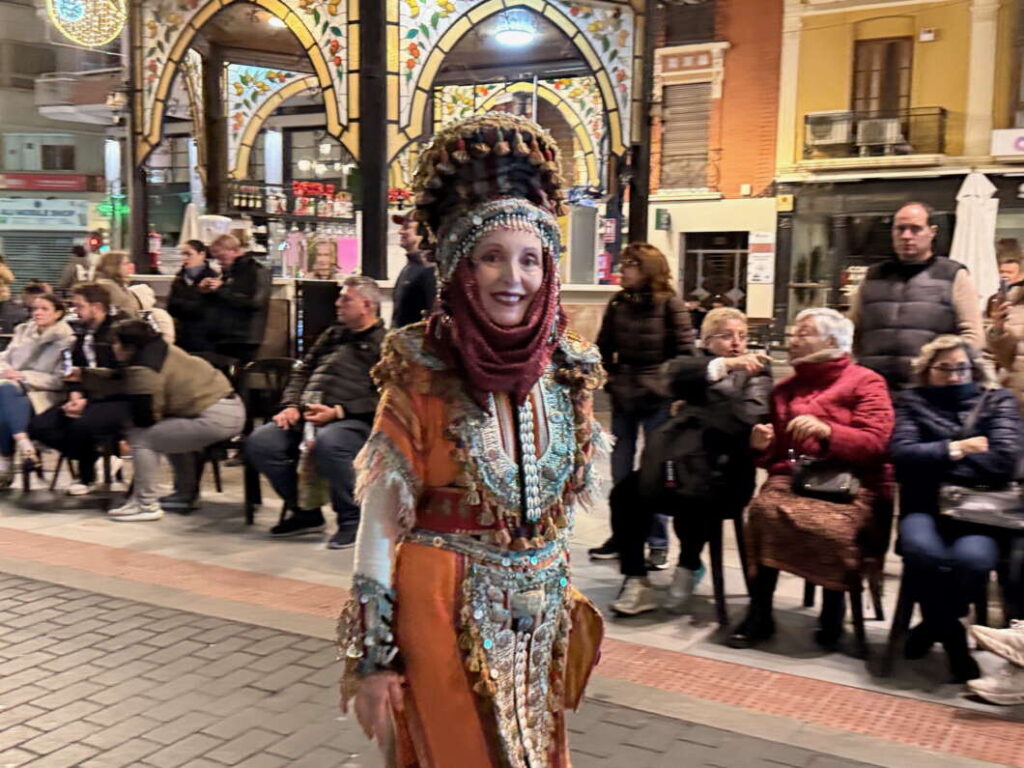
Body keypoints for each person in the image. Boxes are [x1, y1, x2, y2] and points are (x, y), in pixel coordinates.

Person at [337, 113, 606, 768]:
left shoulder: (569, 374)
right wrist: (371, 660)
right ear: (460, 269)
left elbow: (561, 511)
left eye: (530, 259)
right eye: (491, 257)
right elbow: (376, 528)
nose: (512, 277)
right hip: (438, 605)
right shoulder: (420, 372)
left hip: (539, 613)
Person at [729, 308, 894, 651]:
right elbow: (776, 457)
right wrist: (763, 446)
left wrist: (829, 432)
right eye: (793, 334)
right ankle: (760, 611)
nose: (792, 341)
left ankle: (833, 614)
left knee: (831, 528)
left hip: (853, 482)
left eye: (803, 334)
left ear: (832, 341)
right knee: (762, 512)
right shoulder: (785, 388)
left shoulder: (865, 381)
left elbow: (877, 442)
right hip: (796, 477)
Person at [610, 308, 772, 615]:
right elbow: (670, 376)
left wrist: (694, 408)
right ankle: (635, 578)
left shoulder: (758, 372)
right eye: (726, 336)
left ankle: (688, 565)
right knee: (626, 495)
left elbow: (747, 418)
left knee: (696, 496)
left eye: (742, 336)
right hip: (674, 464)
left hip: (725, 471)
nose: (737, 343)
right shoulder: (693, 364)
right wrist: (723, 366)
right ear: (707, 341)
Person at [889, 336, 1022, 682]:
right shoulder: (911, 402)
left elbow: (1004, 461)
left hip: (981, 512)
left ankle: (931, 625)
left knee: (973, 560)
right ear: (927, 371)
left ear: (974, 368)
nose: (953, 377)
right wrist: (958, 448)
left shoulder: (998, 401)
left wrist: (936, 458)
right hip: (925, 507)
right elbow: (902, 456)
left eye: (961, 368)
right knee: (923, 553)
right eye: (944, 369)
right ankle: (953, 641)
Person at [245, 276, 385, 548]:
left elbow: (385, 396)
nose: (338, 303)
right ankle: (305, 511)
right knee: (262, 442)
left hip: (353, 420)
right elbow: (303, 370)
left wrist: (339, 412)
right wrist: (290, 406)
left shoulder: (385, 344)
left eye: (346, 299)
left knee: (330, 443)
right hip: (308, 414)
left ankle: (352, 519)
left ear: (366, 305)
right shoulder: (333, 334)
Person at [590, 242, 694, 567]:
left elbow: (685, 353)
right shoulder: (619, 303)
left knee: (655, 471)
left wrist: (673, 391)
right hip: (624, 396)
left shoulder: (669, 304)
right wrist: (608, 378)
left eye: (630, 265)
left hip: (658, 399)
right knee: (620, 471)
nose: (623, 271)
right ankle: (623, 535)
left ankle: (658, 542)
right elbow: (602, 347)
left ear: (647, 269)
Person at [94, 320, 245, 522]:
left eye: (115, 343)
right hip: (228, 409)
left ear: (128, 346)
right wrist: (87, 375)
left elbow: (145, 416)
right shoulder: (160, 350)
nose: (112, 348)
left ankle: (146, 504)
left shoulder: (145, 368)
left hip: (215, 417)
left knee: (142, 437)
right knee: (167, 430)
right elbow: (123, 378)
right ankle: (183, 495)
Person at [851, 202, 983, 390]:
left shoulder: (953, 275)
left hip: (929, 392)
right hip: (873, 388)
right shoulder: (873, 276)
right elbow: (852, 331)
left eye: (915, 229)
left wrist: (947, 372)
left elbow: (973, 336)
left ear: (932, 231)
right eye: (900, 229)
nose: (906, 236)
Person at [28, 283, 132, 496]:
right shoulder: (81, 333)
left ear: (96, 306)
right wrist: (75, 395)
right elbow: (71, 369)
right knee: (39, 426)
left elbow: (123, 375)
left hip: (116, 397)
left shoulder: (118, 332)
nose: (75, 310)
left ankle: (87, 474)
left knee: (82, 425)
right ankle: (97, 460)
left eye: (79, 306)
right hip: (86, 396)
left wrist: (86, 401)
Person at [0, 293, 73, 485]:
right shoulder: (23, 330)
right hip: (12, 388)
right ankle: (26, 447)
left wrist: (24, 377)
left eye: (44, 309)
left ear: (58, 313)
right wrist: (8, 372)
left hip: (42, 395)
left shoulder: (67, 341)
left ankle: (6, 464)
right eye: (34, 309)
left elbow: (60, 380)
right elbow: (4, 358)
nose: (37, 313)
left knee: (5, 397)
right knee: (6, 392)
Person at [201, 234, 271, 367]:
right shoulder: (229, 272)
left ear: (234, 250)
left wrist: (221, 289)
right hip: (224, 336)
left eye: (222, 257)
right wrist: (207, 292)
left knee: (237, 378)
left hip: (244, 337)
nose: (219, 262)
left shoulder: (256, 271)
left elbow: (254, 303)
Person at [167, 240, 219, 355]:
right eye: (182, 254)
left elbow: (207, 308)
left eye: (189, 254)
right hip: (181, 333)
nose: (185, 258)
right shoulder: (180, 278)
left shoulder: (212, 277)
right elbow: (171, 306)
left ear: (202, 254)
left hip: (204, 337)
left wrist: (185, 305)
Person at [390, 210, 436, 328]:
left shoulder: (431, 270)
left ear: (423, 231)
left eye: (406, 227)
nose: (400, 231)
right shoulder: (410, 267)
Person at [92, 250, 141, 318]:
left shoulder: (120, 284)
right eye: (125, 264)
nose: (129, 267)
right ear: (114, 266)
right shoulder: (107, 285)